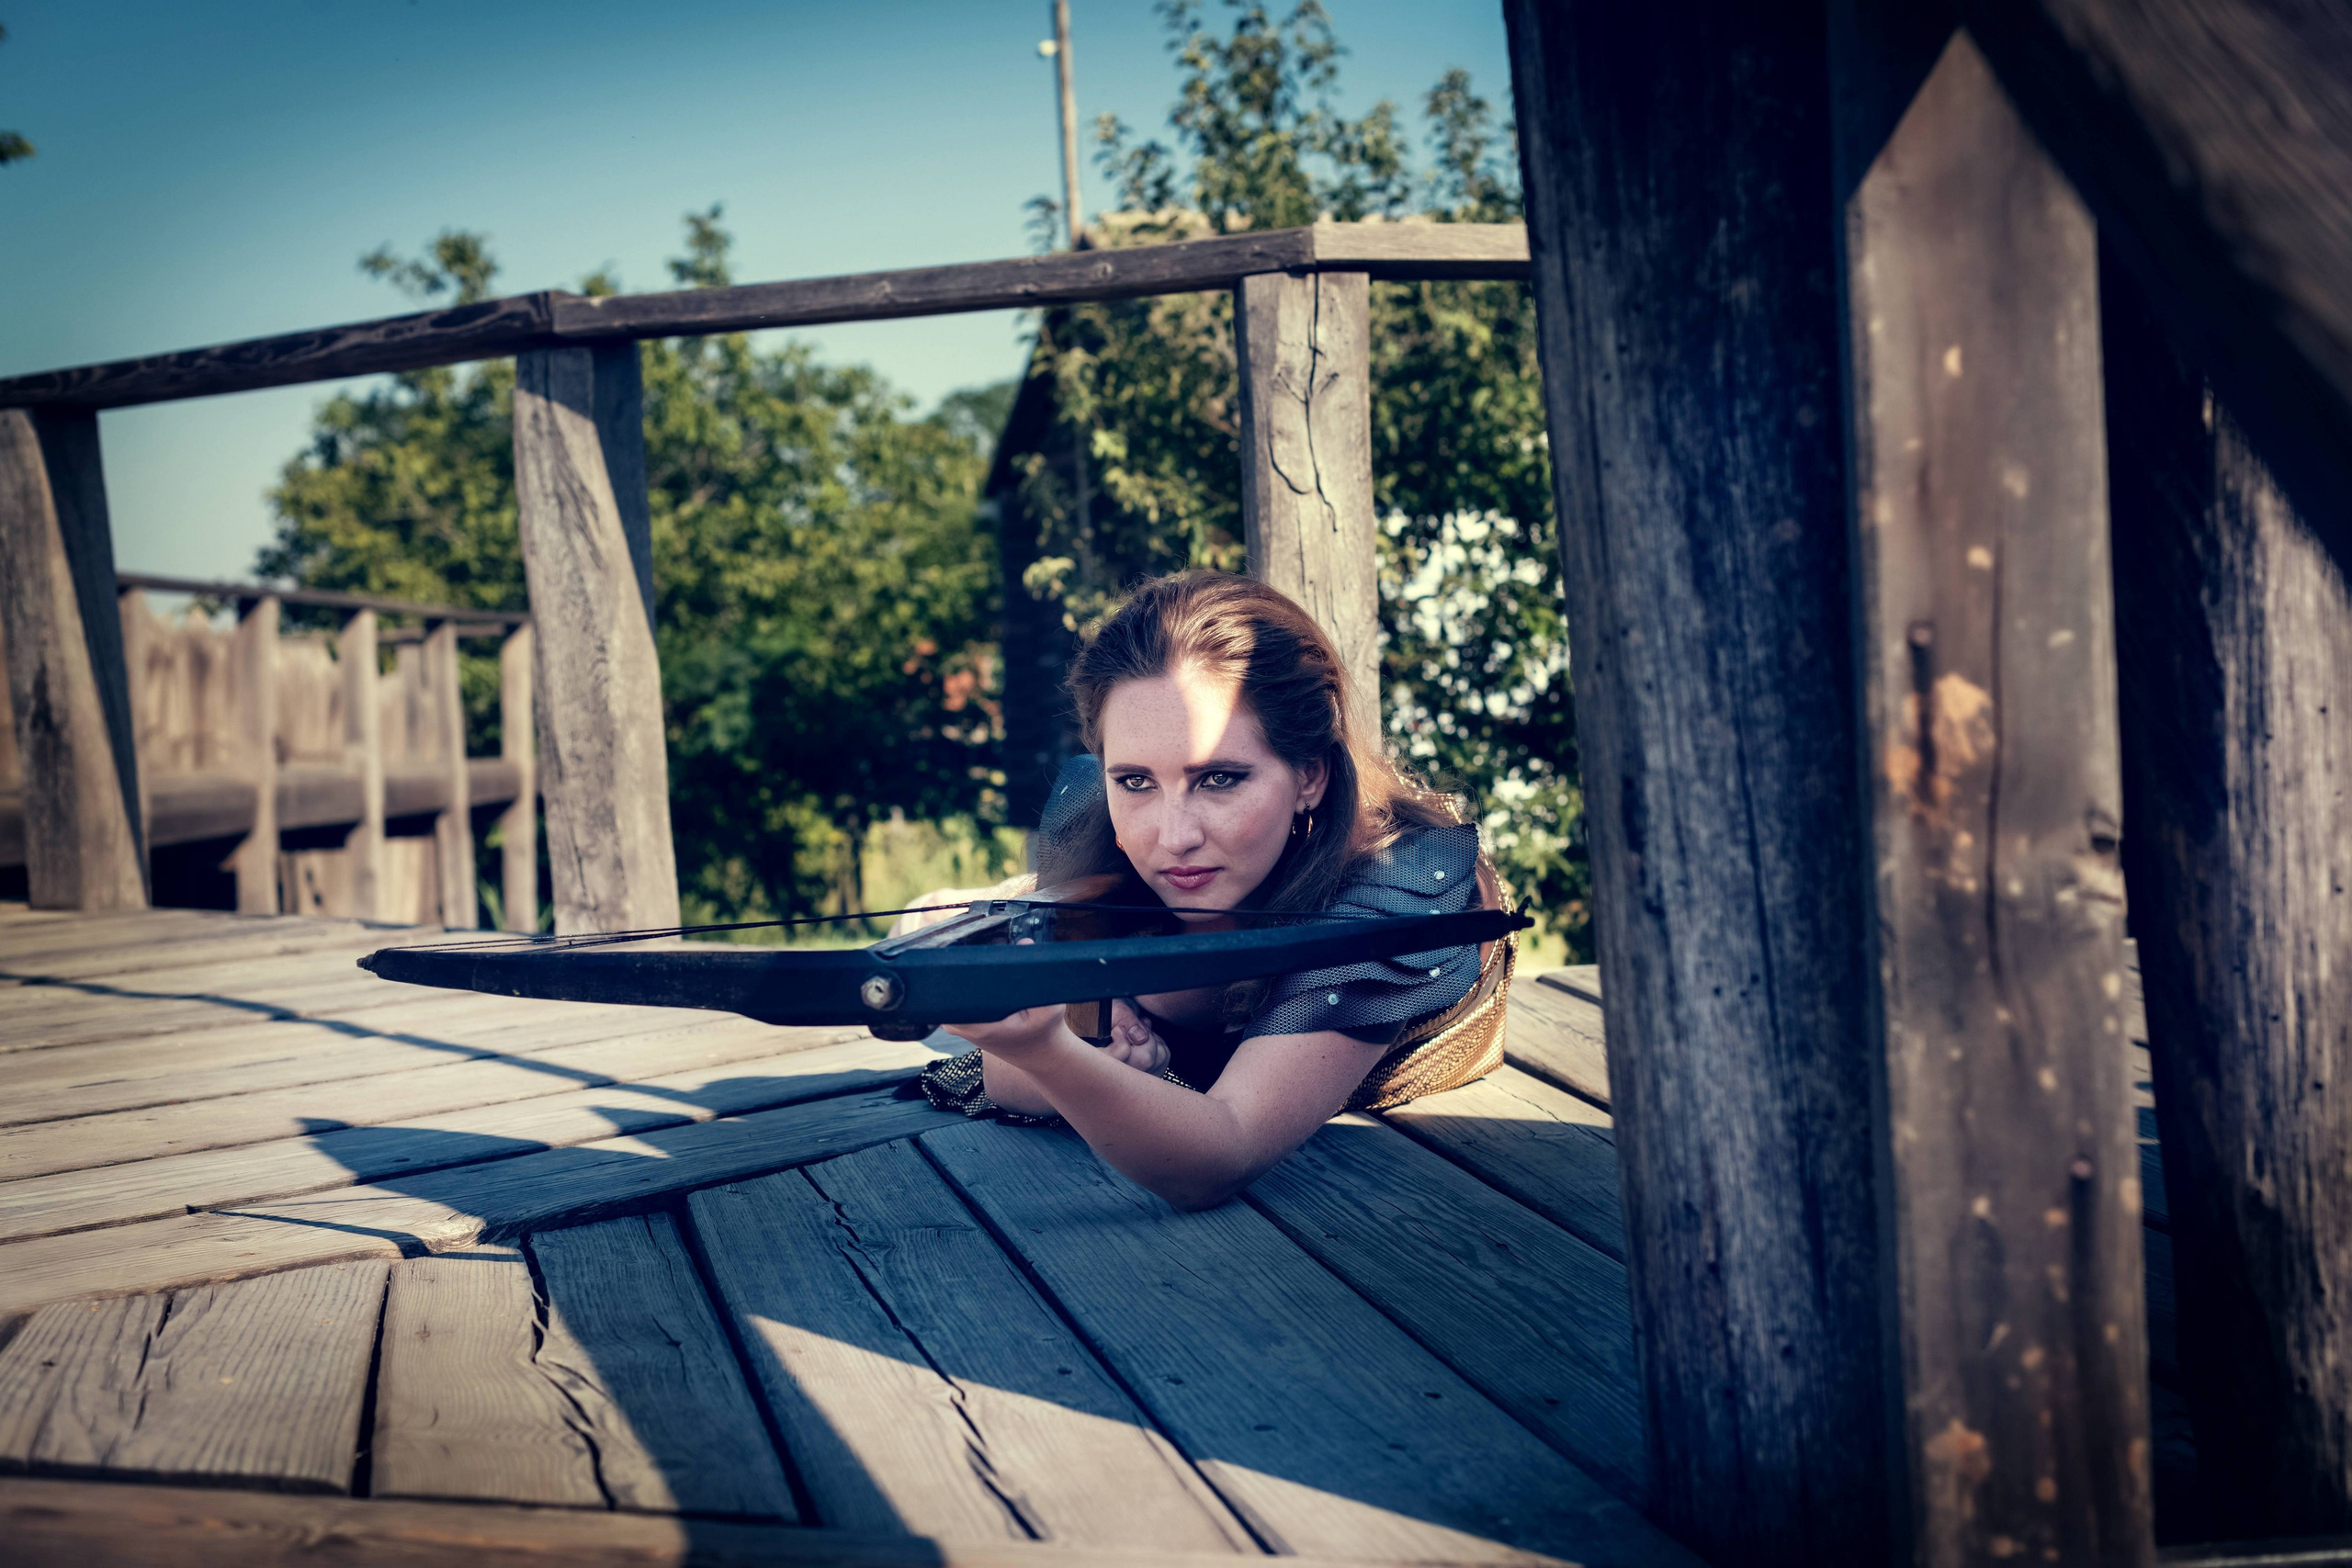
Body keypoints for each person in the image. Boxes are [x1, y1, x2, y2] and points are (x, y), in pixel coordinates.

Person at [901, 571, 1515, 1209]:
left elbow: (1223, 1151)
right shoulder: (1106, 843)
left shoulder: (1400, 888)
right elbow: (1004, 1072)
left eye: (1220, 777)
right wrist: (1086, 1043)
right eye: (1136, 780)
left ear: (1309, 773)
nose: (1174, 835)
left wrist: (1049, 1051)